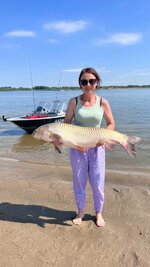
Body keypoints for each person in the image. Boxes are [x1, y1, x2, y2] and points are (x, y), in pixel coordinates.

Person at [55, 67, 115, 227]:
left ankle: (98, 212)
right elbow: (66, 125)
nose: (88, 84)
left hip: (97, 147)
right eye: (84, 81)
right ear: (80, 84)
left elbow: (111, 124)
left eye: (91, 81)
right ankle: (80, 211)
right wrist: (58, 139)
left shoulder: (103, 102)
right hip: (77, 149)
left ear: (97, 83)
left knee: (97, 181)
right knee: (79, 181)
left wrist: (104, 136)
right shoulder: (73, 102)